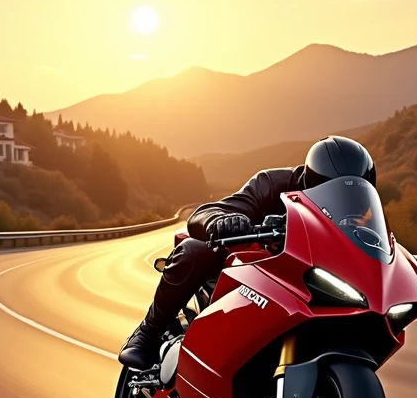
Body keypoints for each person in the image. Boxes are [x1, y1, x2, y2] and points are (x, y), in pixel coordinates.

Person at [118, 136, 376, 368]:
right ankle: (147, 333)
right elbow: (202, 214)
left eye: (353, 191)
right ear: (312, 180)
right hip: (250, 271)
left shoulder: (360, 211)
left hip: (304, 281)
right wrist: (220, 221)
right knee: (193, 251)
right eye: (337, 189)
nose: (344, 199)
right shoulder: (272, 184)